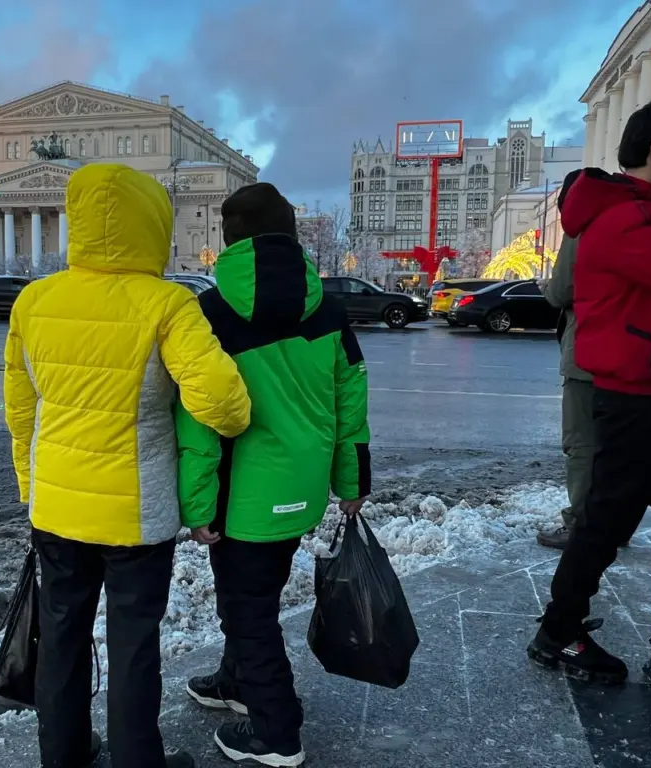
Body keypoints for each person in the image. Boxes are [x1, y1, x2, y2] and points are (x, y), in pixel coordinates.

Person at [3, 163, 251, 768]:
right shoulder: (167, 303)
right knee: (134, 642)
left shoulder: (35, 301)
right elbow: (224, 402)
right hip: (137, 516)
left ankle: (61, 754)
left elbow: (20, 410)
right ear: (153, 224)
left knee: (61, 636)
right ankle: (138, 759)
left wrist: (31, 487)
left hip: (58, 509)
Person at [528, 97, 651, 687]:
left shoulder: (642, 214)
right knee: (605, 525)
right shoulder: (624, 219)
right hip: (636, 398)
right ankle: (559, 633)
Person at [177, 182, 371, 766]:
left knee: (248, 610)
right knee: (250, 598)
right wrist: (352, 484)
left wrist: (198, 505)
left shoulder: (210, 313)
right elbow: (350, 400)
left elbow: (199, 422)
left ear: (229, 241)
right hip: (301, 491)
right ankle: (238, 681)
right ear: (290, 236)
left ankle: (276, 730)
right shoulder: (330, 309)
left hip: (243, 500)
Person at [538, 170, 591, 550]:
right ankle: (611, 523)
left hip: (587, 355)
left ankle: (583, 526)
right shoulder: (628, 219)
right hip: (627, 356)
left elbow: (560, 291)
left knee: (582, 445)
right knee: (612, 446)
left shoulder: (582, 227)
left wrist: (544, 286)